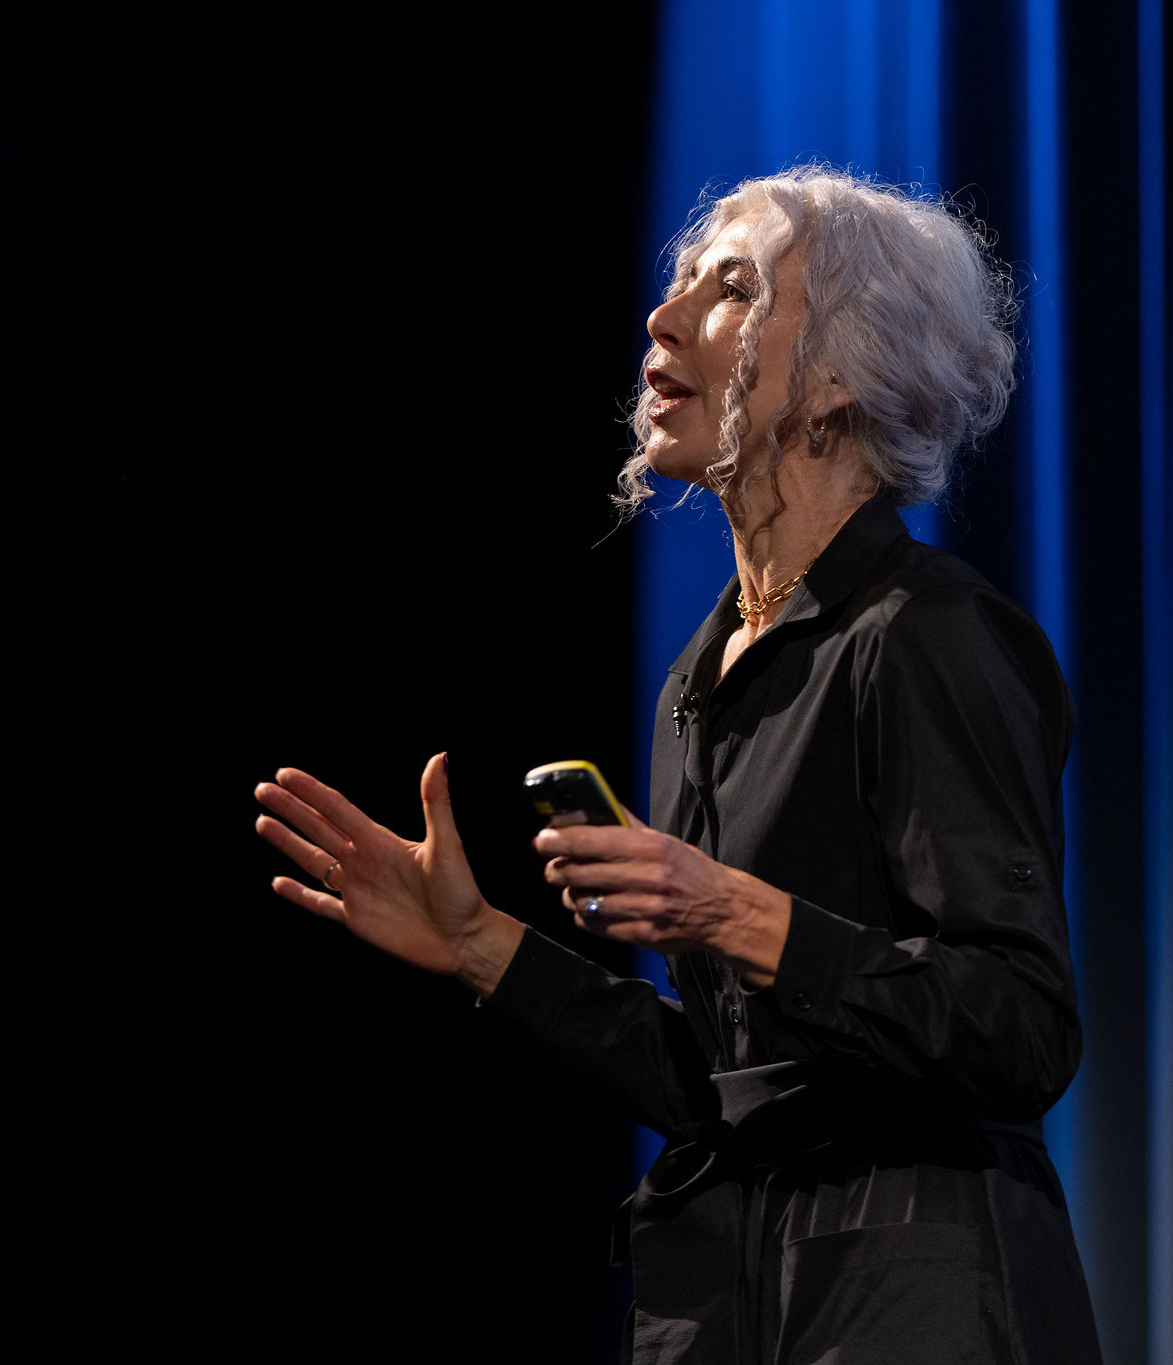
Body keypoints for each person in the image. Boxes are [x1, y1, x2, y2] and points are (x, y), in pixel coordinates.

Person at [253, 166, 1101, 1365]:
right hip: (740, 1295)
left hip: (916, 1297)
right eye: (678, 284)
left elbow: (1020, 1032)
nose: (661, 317)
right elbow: (725, 1089)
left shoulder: (926, 635)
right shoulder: (701, 677)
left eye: (730, 289)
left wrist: (736, 915)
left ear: (840, 376)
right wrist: (482, 946)